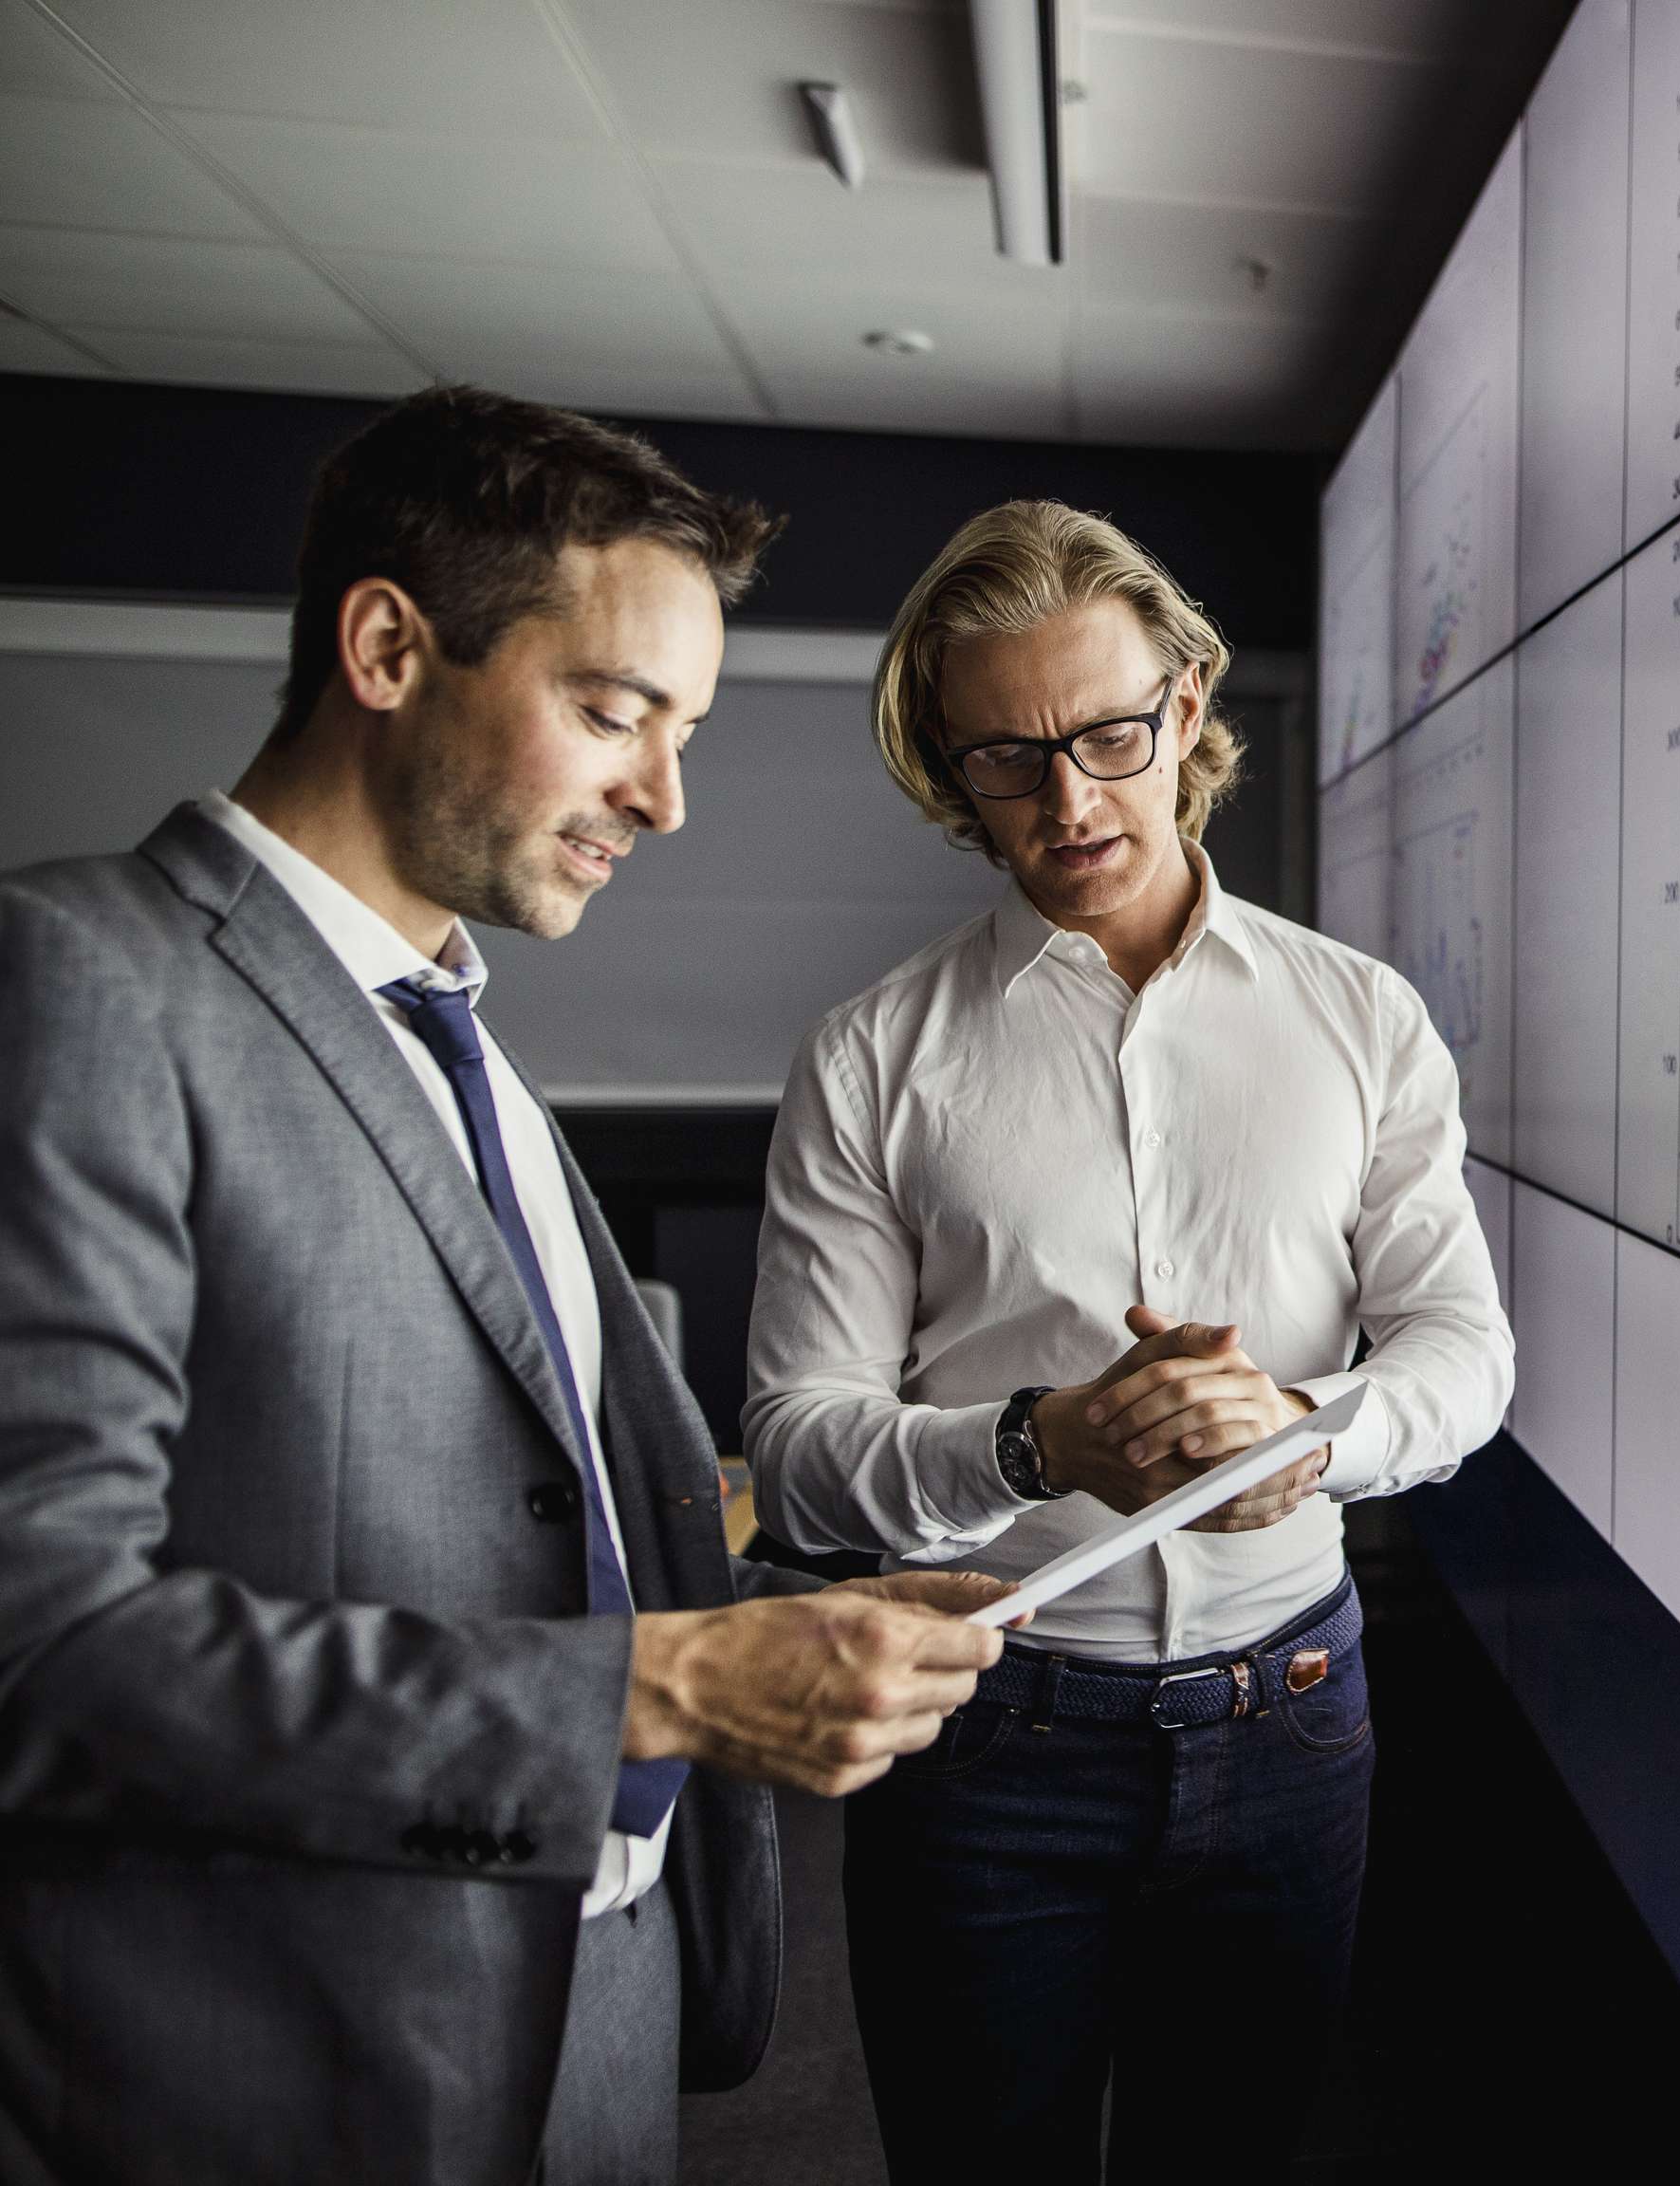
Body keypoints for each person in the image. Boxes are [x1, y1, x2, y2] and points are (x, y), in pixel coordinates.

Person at [0, 387, 1012, 2186]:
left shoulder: (455, 1038)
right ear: (389, 646)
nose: (667, 798)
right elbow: (45, 1651)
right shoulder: (82, 981)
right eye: (615, 712)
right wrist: (667, 1694)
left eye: (682, 730)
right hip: (291, 2061)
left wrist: (780, 1613)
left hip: (588, 2010)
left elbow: (523, 1528)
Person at [745, 499, 1513, 2181]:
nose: (1074, 801)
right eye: (1009, 760)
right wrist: (1039, 1444)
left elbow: (1462, 1347)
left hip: (1295, 1718)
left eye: (1109, 733)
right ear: (952, 774)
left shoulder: (1361, 1015)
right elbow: (800, 1439)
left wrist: (1304, 1431)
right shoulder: (873, 1056)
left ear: (1188, 702)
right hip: (990, 1744)